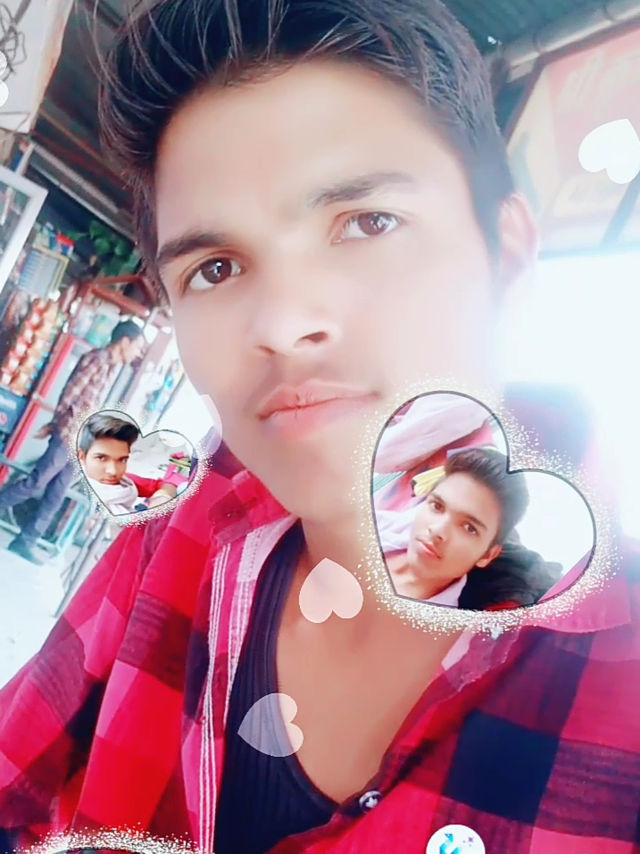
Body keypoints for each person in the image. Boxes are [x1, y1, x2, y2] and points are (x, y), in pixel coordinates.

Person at [0, 2, 637, 853]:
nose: (281, 322)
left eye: (367, 223)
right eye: (216, 268)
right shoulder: (193, 516)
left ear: (507, 255)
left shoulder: (620, 688)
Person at [0, 319, 146, 563]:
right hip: (68, 435)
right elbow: (71, 395)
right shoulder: (97, 360)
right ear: (124, 342)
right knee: (37, 482)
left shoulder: (112, 368)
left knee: (56, 493)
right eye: (137, 346)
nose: (137, 353)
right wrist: (58, 425)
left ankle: (26, 541)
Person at [387, 447, 529, 604]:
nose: (438, 530)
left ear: (488, 555)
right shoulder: (384, 526)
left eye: (469, 528)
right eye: (437, 506)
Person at [78, 412, 178, 514]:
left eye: (122, 460)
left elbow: (165, 485)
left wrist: (161, 498)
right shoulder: (77, 500)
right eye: (102, 458)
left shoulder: (124, 482)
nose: (113, 471)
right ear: (82, 457)